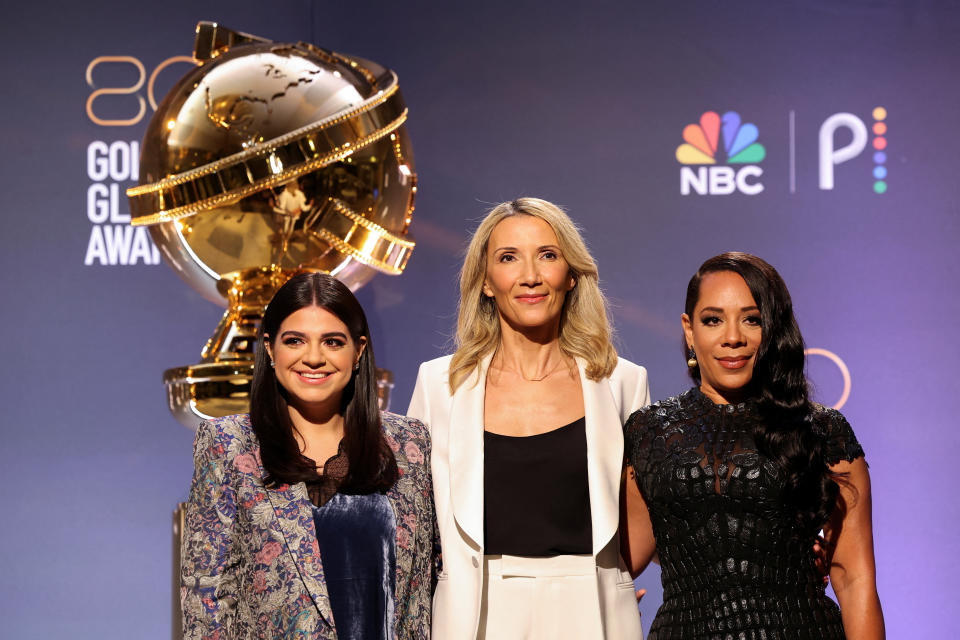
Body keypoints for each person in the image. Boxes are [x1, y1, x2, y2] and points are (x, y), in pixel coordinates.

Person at [408, 197, 649, 639]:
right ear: (485, 282)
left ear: (571, 274)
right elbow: (414, 526)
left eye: (548, 255)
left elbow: (644, 515)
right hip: (473, 614)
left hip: (592, 611)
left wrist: (614, 587)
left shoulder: (621, 382)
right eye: (508, 258)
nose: (531, 275)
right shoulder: (438, 384)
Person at [621, 252, 884, 639]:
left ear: (773, 329)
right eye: (713, 320)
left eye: (752, 319)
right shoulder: (650, 431)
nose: (732, 337)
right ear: (689, 330)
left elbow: (855, 578)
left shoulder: (823, 430)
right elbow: (627, 556)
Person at [180, 272, 437, 639]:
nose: (313, 358)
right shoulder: (228, 443)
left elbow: (425, 587)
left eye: (332, 342)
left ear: (358, 351)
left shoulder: (409, 443)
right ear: (270, 349)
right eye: (295, 341)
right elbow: (206, 599)